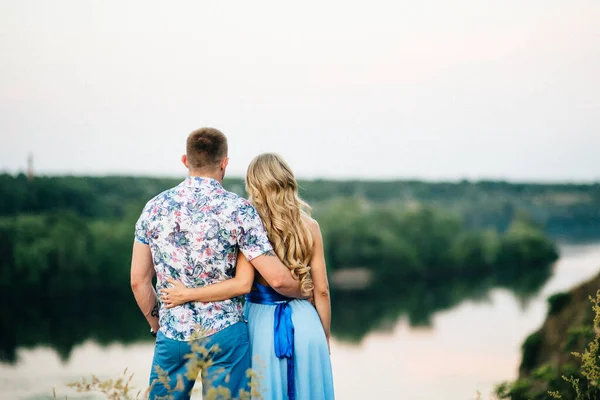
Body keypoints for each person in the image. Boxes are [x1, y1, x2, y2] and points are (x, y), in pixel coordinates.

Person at [130, 129, 305, 400]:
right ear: (224, 162)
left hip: (174, 334)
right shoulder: (239, 209)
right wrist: (308, 288)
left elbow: (138, 281)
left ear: (185, 160)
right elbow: (278, 279)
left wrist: (159, 325)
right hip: (226, 337)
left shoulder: (153, 208)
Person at [161, 153, 335, 400]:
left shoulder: (249, 225)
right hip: (307, 325)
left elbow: (241, 282)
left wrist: (187, 293)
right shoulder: (311, 227)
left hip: (261, 322)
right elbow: (322, 291)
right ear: (287, 180)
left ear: (254, 185)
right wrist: (324, 335)